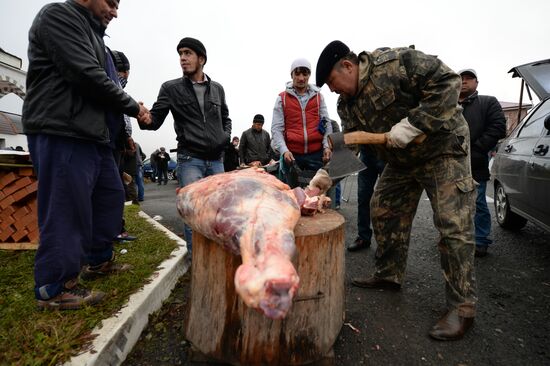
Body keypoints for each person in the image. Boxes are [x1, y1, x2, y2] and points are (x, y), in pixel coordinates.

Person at [316, 40, 477, 341]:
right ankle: (389, 274)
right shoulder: (346, 105)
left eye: (331, 82)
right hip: (402, 162)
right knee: (383, 207)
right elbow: (349, 151)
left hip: (442, 149)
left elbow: (449, 83)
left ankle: (462, 307)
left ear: (348, 67)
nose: (332, 91)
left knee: (453, 226)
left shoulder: (397, 63)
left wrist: (413, 125)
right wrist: (322, 181)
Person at [22, 0, 151, 310]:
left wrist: (122, 135)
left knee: (109, 197)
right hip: (63, 128)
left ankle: (98, 259)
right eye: (111, 2)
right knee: (68, 207)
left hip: (96, 136)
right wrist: (135, 107)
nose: (115, 12)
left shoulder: (97, 38)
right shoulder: (59, 16)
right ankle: (55, 286)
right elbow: (88, 75)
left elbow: (106, 91)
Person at [138, 37, 231, 252]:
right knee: (193, 213)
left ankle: (216, 258)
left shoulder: (217, 89)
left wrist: (224, 137)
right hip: (190, 160)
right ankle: (196, 261)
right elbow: (155, 119)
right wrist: (143, 118)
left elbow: (226, 117)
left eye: (188, 53)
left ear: (201, 59)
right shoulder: (170, 88)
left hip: (217, 160)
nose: (182, 58)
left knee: (219, 211)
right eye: (180, 54)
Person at [458, 68, 507, 258]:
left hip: (475, 162)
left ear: (476, 83)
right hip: (449, 162)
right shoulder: (447, 103)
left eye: (469, 78)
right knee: (452, 203)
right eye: (460, 78)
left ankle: (481, 240)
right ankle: (455, 237)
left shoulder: (487, 102)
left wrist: (477, 149)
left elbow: (498, 127)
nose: (464, 81)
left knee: (477, 201)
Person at [271, 58, 332, 187]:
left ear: (309, 75)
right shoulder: (282, 99)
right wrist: (284, 150)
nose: (301, 78)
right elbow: (276, 129)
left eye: (305, 74)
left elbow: (327, 123)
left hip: (316, 155)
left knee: (317, 192)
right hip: (292, 156)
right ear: (291, 75)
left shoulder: (318, 97)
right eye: (297, 74)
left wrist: (326, 146)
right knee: (294, 193)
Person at [348, 145, 385, 252]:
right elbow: (349, 144)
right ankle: (363, 237)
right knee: (363, 196)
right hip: (366, 155)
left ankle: (385, 242)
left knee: (386, 200)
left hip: (387, 155)